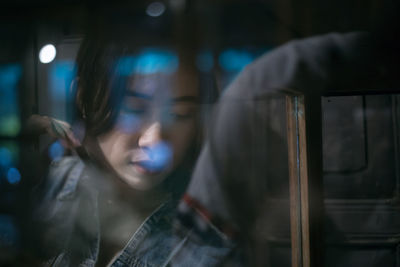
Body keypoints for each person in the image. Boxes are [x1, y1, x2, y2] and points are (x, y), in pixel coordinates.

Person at [27, 13, 233, 267]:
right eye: (134, 109)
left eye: (181, 114)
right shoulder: (51, 185)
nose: (154, 139)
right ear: (85, 98)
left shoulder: (207, 253)